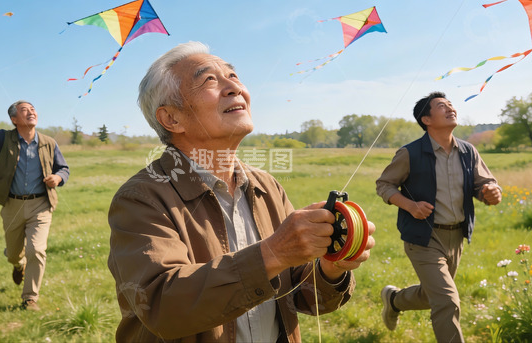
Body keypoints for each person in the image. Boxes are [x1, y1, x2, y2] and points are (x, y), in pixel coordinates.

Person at [107, 41, 376, 342]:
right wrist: (273, 252)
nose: (233, 87)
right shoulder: (141, 198)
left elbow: (302, 298)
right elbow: (161, 307)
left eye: (233, 76)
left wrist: (331, 268)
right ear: (172, 118)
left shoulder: (267, 186)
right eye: (208, 80)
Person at [375, 91, 502, 342]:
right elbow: (384, 185)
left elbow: (484, 184)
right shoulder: (409, 153)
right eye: (441, 106)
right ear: (427, 120)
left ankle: (394, 300)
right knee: (446, 301)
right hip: (423, 237)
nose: (450, 108)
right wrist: (410, 205)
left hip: (456, 237)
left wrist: (491, 192)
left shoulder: (468, 151)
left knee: (432, 294)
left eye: (451, 105)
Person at [0, 84, 69, 311]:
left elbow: (64, 168)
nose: (31, 112)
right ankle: (17, 264)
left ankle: (30, 298)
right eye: (24, 109)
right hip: (12, 204)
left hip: (41, 204)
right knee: (13, 253)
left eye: (33, 108)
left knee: (36, 250)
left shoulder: (49, 143)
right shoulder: (3, 140)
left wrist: (58, 179)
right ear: (14, 119)